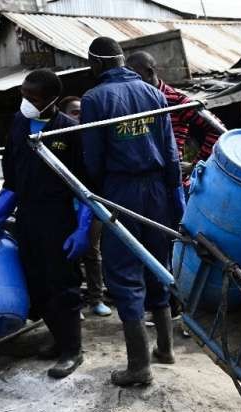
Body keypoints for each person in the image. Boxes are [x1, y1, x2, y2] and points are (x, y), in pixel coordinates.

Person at [80, 37, 185, 387]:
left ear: (96, 63)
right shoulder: (153, 93)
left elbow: (93, 158)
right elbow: (170, 150)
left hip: (121, 190)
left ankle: (139, 365)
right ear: (122, 60)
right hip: (157, 189)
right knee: (158, 264)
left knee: (125, 274)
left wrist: (95, 194)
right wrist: (174, 197)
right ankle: (166, 349)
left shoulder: (95, 99)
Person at [0, 69, 91, 379]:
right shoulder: (18, 125)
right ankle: (58, 341)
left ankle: (73, 350)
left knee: (63, 283)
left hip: (58, 217)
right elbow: (12, 178)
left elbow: (83, 188)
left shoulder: (69, 131)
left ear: (52, 100)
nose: (26, 102)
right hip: (27, 216)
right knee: (37, 281)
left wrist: (82, 229)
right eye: (23, 95)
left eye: (33, 98)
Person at [125, 51, 223, 196]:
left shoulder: (175, 100)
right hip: (144, 183)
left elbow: (218, 129)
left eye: (135, 76)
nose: (131, 81)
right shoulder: (134, 101)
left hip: (172, 184)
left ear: (149, 72)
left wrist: (194, 165)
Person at [59, 96, 112, 318]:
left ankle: (96, 298)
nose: (79, 116)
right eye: (74, 112)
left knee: (92, 251)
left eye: (82, 112)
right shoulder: (58, 140)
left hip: (92, 203)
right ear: (63, 115)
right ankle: (74, 301)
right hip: (65, 204)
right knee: (67, 254)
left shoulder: (94, 138)